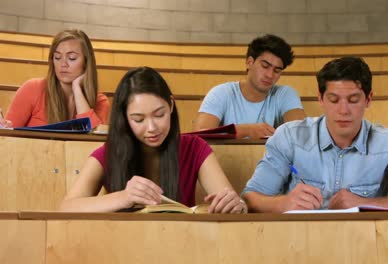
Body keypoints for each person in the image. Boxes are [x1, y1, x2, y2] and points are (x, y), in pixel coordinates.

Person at [242, 56, 388, 212]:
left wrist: (365, 203)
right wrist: (283, 203)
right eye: (334, 100)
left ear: (369, 99)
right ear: (320, 99)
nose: (343, 110)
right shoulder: (288, 137)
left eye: (353, 100)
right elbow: (250, 198)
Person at [60, 67, 247, 213]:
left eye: (159, 115)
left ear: (171, 106)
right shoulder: (108, 153)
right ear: (124, 118)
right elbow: (67, 207)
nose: (151, 128)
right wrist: (124, 197)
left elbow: (231, 202)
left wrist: (236, 205)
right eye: (138, 119)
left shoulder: (195, 147)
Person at [193, 34, 306, 139]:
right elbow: (199, 135)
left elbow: (301, 133)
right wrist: (247, 131)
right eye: (265, 66)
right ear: (249, 62)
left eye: (277, 70)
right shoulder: (221, 93)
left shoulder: (285, 94)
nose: (270, 75)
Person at [0, 29, 109, 129]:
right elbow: (8, 135)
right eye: (57, 57)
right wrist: (4, 126)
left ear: (86, 62)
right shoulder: (32, 89)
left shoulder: (100, 101)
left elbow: (92, 140)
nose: (63, 64)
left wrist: (77, 89)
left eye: (72, 58)